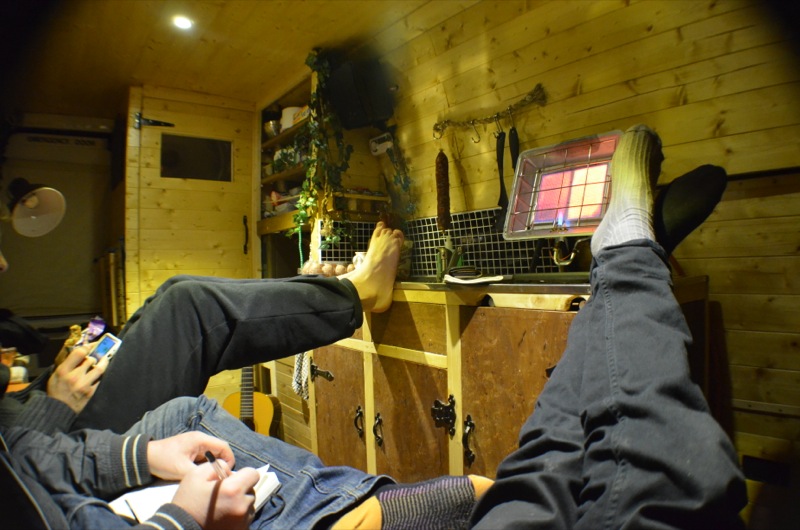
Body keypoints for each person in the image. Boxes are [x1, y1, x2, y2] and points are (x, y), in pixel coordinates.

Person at [2, 123, 746, 529]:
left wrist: (113, 447)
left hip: (99, 453)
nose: (6, 264)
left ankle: (624, 257)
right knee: (602, 482)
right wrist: (179, 520)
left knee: (179, 311)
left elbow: (25, 462)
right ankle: (627, 256)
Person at [0, 221, 405, 435]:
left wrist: (48, 379)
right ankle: (358, 292)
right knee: (189, 306)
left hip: (37, 414)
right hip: (54, 443)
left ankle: (353, 290)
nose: (3, 264)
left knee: (173, 289)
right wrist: (52, 410)